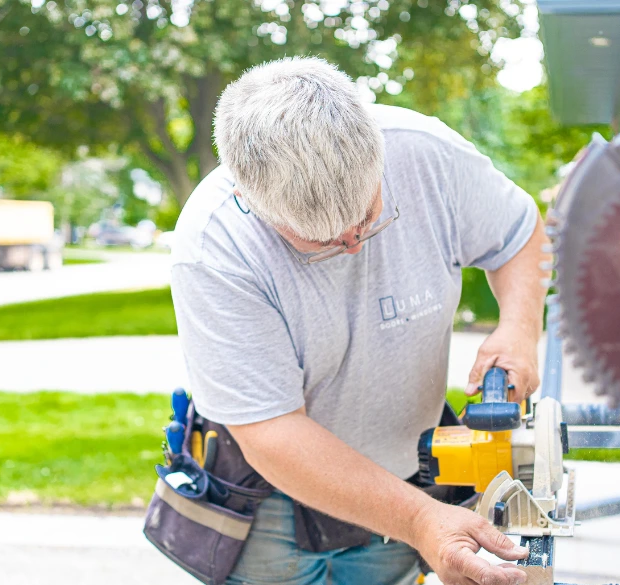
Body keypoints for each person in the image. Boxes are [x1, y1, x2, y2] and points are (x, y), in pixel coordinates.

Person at [169, 56, 549, 585]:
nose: (351, 246)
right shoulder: (214, 247)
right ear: (249, 201)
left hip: (411, 470)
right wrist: (421, 520)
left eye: (368, 220)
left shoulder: (426, 154)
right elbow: (272, 432)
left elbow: (518, 236)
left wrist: (519, 329)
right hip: (272, 504)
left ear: (378, 152)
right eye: (322, 243)